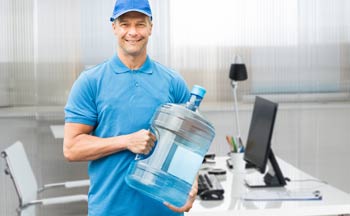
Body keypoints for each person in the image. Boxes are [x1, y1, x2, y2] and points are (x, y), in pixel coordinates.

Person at [63, 0, 198, 215]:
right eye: (125, 24)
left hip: (164, 210)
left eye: (140, 24)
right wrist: (126, 141)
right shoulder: (91, 82)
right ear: (114, 27)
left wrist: (192, 182)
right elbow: (72, 148)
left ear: (151, 27)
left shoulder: (173, 82)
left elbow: (187, 146)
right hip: (111, 209)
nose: (133, 32)